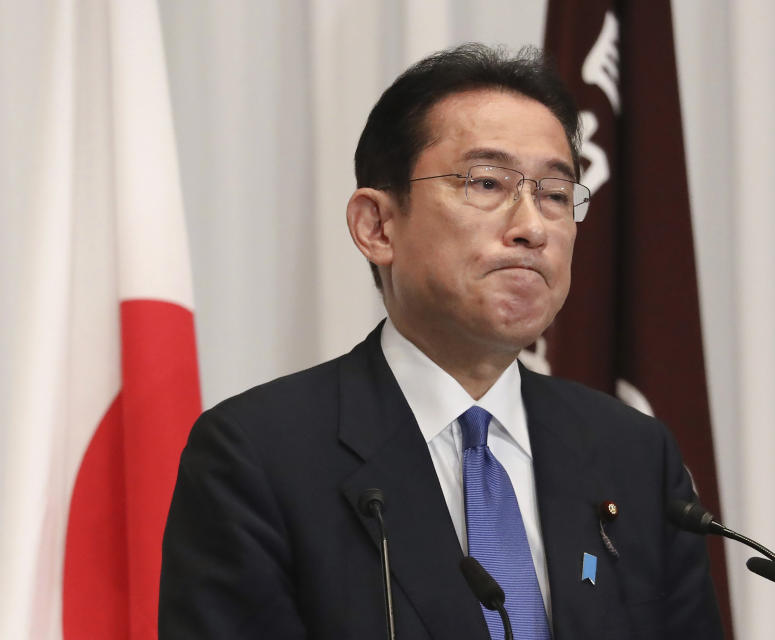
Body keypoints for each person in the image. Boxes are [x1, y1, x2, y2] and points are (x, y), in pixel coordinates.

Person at [159, 43, 723, 639]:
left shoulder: (635, 456)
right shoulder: (258, 458)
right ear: (377, 226)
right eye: (486, 182)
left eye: (556, 195)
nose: (533, 227)